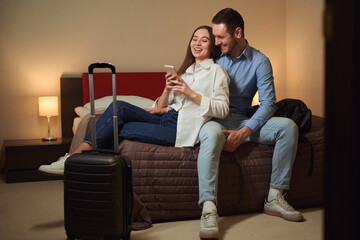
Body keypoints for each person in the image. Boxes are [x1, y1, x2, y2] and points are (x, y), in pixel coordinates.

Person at [38, 25, 230, 176]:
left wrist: (189, 92)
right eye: (194, 39)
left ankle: (73, 159)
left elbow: (222, 109)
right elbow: (161, 106)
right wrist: (167, 88)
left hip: (179, 129)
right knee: (117, 108)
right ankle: (77, 159)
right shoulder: (187, 72)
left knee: (115, 129)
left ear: (212, 47)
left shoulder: (217, 72)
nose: (197, 43)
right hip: (166, 118)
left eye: (204, 40)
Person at [197, 8, 303, 239]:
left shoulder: (260, 61)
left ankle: (274, 197)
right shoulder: (214, 56)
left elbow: (268, 104)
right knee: (212, 135)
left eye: (220, 37)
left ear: (237, 32)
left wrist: (245, 131)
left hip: (244, 119)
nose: (216, 42)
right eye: (214, 37)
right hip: (215, 119)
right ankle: (208, 208)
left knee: (288, 127)